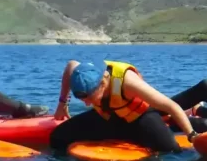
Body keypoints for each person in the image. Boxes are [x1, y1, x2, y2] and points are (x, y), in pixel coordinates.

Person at [49, 59, 198, 152]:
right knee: (58, 137)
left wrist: (192, 136)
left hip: (140, 119)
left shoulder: (128, 83)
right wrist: (62, 103)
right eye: (83, 100)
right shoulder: (82, 73)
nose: (87, 103)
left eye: (91, 98)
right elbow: (71, 66)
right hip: (110, 118)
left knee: (171, 151)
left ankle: (175, 125)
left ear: (102, 84)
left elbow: (171, 106)